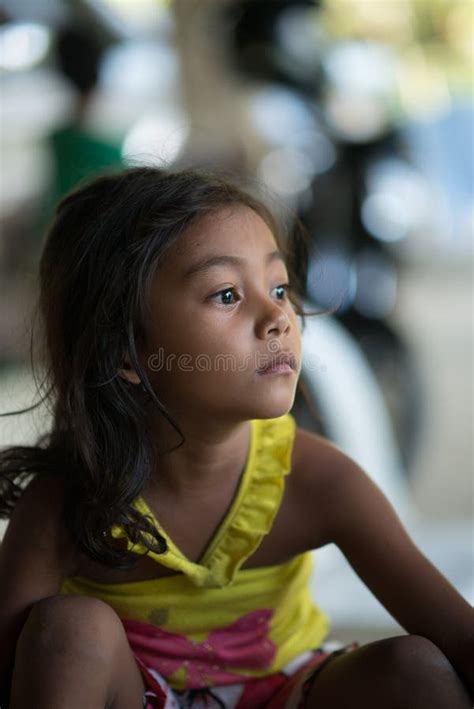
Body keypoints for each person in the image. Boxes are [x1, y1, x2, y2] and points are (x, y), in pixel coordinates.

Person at [0, 167, 472, 709]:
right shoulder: (64, 505)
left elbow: (458, 636)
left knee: (416, 668)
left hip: (289, 691)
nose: (277, 316)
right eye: (227, 294)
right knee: (69, 631)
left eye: (278, 287)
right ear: (126, 353)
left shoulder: (320, 481)